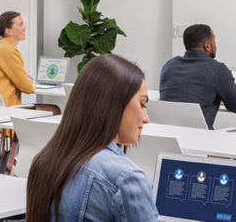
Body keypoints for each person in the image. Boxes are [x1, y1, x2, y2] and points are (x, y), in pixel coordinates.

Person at [25, 54, 156, 222]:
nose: (146, 118)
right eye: (142, 104)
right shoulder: (127, 179)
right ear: (114, 104)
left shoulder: (44, 162)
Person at [158, 24, 236, 129]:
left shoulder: (169, 66)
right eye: (214, 41)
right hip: (200, 141)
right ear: (207, 46)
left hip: (170, 139)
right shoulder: (218, 70)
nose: (216, 45)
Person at [0, 11, 35, 106]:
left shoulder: (1, 45)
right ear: (8, 31)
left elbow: (12, 75)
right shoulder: (8, 50)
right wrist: (27, 82)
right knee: (54, 109)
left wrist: (23, 77)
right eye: (20, 25)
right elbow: (27, 88)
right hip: (7, 106)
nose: (25, 28)